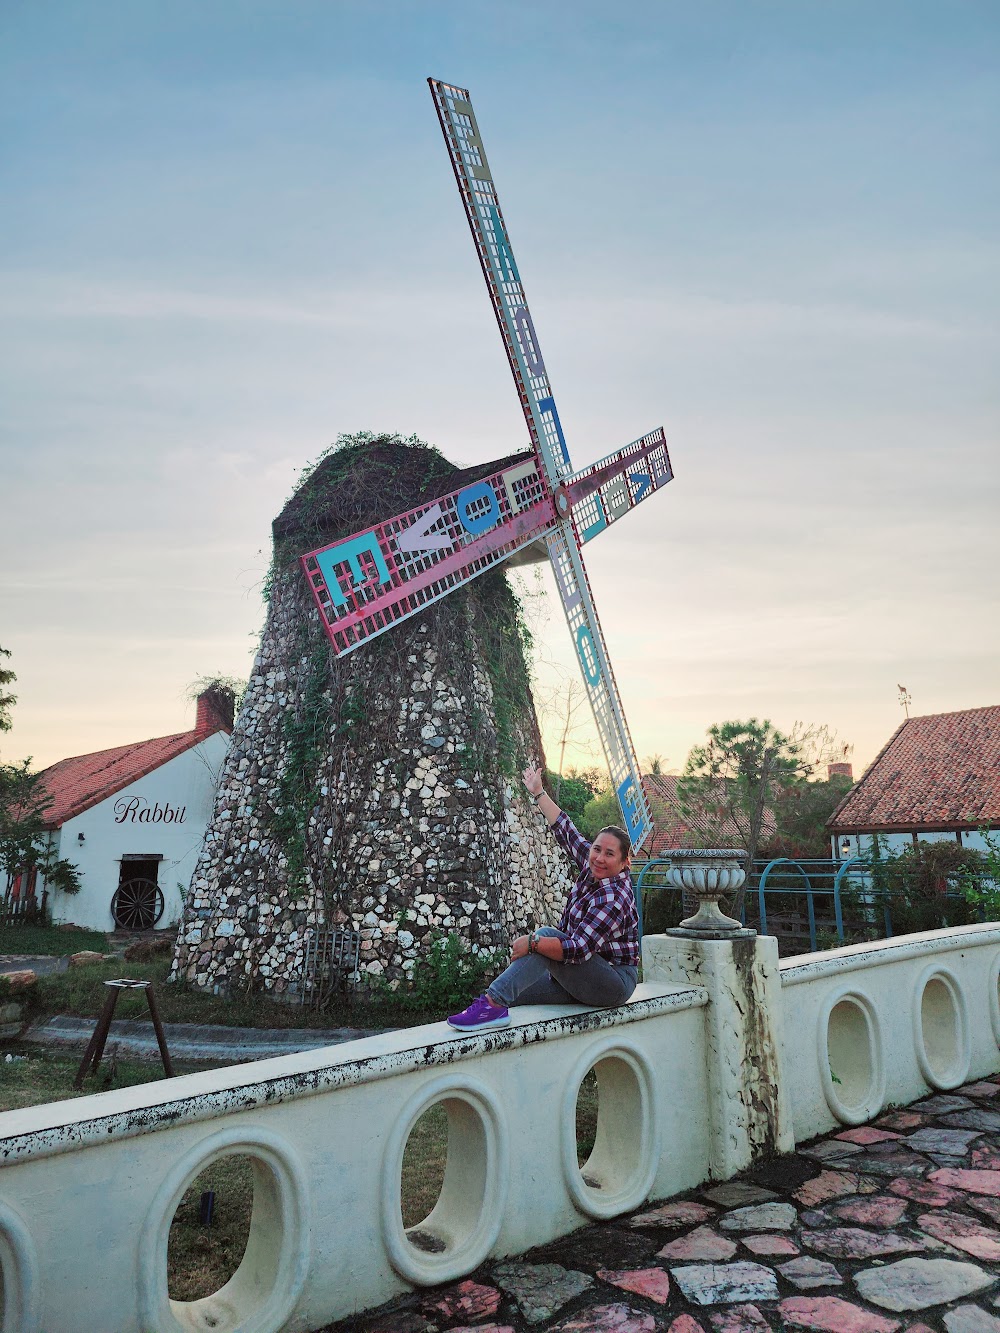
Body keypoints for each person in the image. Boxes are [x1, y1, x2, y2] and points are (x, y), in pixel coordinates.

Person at [446, 764, 639, 1032]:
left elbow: (578, 949)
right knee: (516, 992)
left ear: (623, 861)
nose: (599, 857)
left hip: (612, 983)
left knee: (547, 938)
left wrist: (533, 943)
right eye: (597, 849)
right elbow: (566, 830)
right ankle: (491, 1007)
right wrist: (538, 792)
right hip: (583, 975)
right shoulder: (592, 864)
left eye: (609, 854)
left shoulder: (614, 896)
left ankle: (492, 1004)